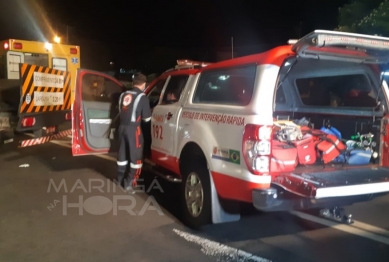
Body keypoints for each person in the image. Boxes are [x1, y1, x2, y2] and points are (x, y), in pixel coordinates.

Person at [116, 73, 152, 193]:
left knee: (122, 156)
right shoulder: (142, 97)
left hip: (121, 128)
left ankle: (120, 180)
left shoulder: (123, 95)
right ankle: (129, 184)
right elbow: (146, 119)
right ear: (143, 84)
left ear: (133, 83)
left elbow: (121, 111)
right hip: (134, 130)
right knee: (136, 158)